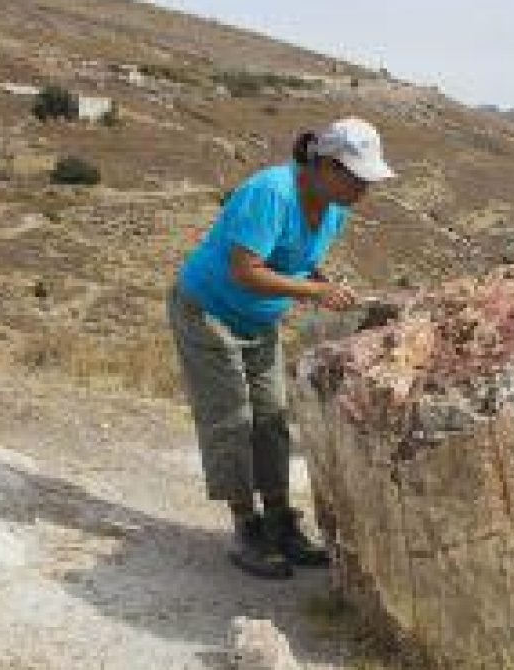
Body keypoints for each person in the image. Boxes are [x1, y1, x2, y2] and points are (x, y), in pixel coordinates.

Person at [168, 118, 395, 579]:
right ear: (327, 166)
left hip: (257, 320)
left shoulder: (334, 209)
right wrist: (312, 294)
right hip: (209, 310)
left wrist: (323, 284)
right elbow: (245, 269)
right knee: (232, 418)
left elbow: (297, 262)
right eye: (358, 178)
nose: (364, 191)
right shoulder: (272, 192)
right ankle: (246, 526)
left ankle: (278, 520)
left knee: (271, 418)